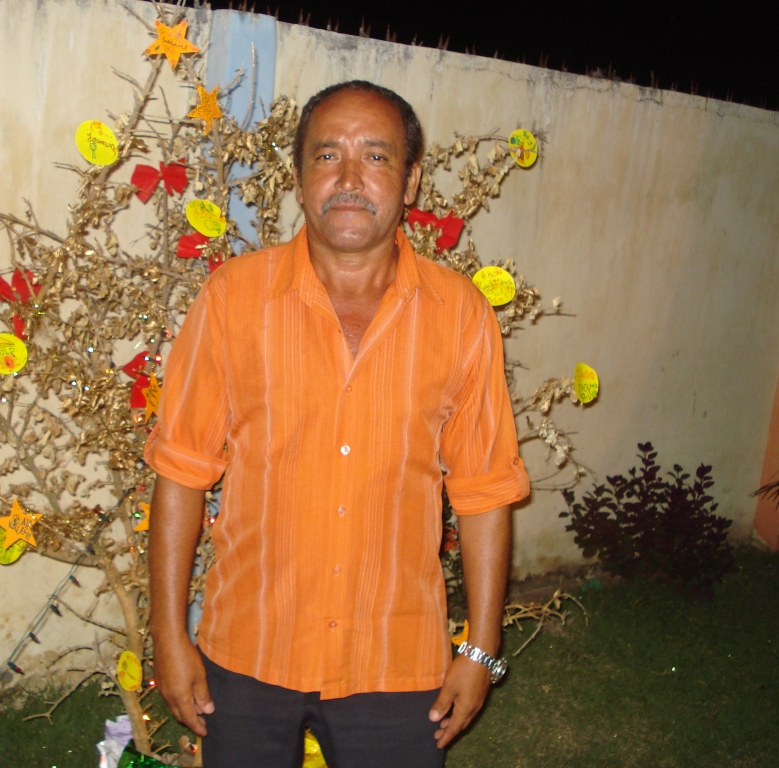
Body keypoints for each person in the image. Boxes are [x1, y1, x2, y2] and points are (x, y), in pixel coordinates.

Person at [146, 80, 530, 767]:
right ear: (299, 179)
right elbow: (180, 470)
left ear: (411, 180)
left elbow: (485, 490)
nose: (350, 178)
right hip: (248, 652)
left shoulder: (460, 315)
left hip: (395, 661)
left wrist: (481, 648)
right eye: (328, 156)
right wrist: (169, 634)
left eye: (376, 157)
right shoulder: (234, 299)